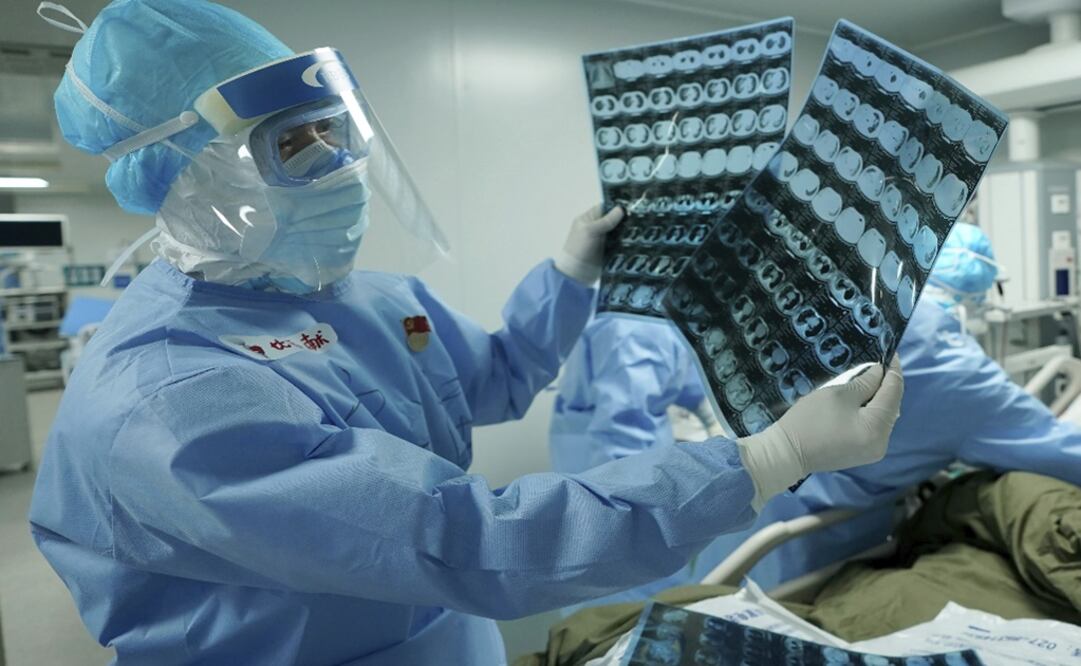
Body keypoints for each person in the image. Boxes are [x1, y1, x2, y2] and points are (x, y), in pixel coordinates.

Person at [28, 1, 902, 664]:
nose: (346, 170)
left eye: (341, 134)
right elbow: (462, 536)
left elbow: (497, 377)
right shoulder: (167, 398)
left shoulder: (358, 300)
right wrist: (764, 461)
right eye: (300, 147)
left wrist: (570, 276)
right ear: (187, 178)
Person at [694, 221, 1081, 589]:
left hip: (738, 496)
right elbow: (1057, 453)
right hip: (817, 536)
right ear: (974, 292)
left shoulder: (846, 308)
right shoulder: (956, 372)